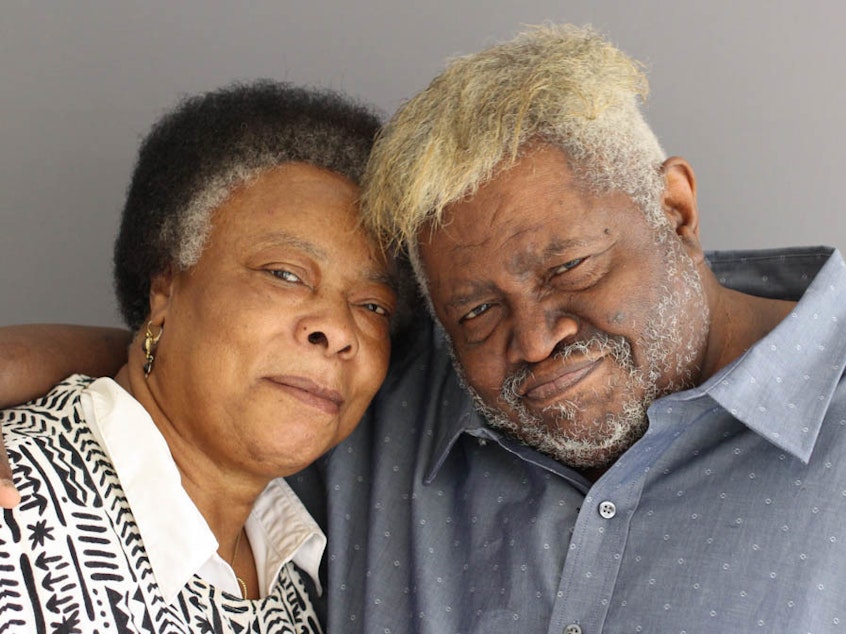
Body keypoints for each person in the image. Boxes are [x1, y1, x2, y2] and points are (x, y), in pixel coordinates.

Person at [3, 24, 846, 633]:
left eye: (568, 269)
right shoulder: (389, 415)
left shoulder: (288, 550)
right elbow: (203, 380)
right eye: (475, 311)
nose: (536, 338)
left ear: (675, 208)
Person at [0, 80, 398, 632]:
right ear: (164, 288)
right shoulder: (18, 514)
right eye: (284, 275)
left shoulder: (301, 580)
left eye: (373, 305)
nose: (337, 329)